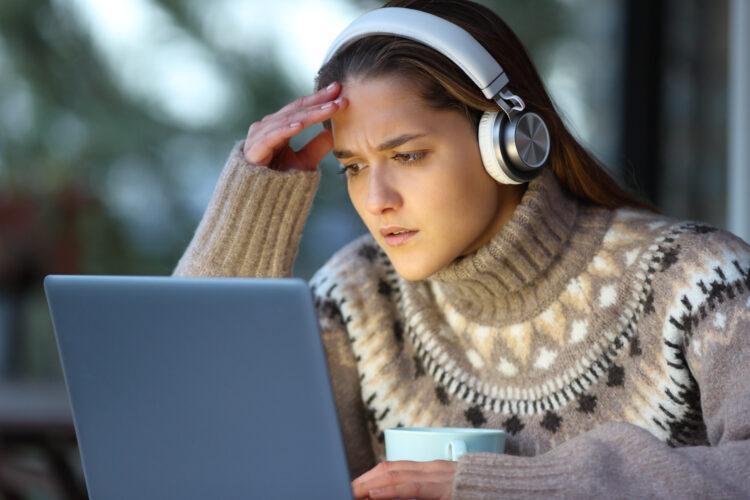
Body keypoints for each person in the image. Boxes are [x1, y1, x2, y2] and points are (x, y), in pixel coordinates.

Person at [172, 0, 750, 498]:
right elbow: (186, 441)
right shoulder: (357, 297)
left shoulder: (698, 281)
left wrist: (510, 487)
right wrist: (248, 218)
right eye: (352, 167)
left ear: (509, 143)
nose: (376, 200)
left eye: (407, 156)